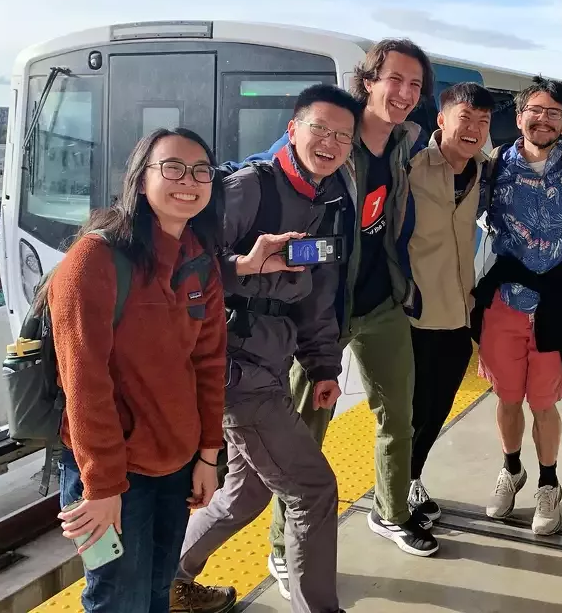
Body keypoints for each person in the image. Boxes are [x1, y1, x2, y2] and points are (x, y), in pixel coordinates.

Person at [169, 84, 360, 613]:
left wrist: (323, 365)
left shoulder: (326, 199)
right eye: (319, 128)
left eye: (342, 136)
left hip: (270, 366)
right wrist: (243, 267)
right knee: (313, 491)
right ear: (292, 128)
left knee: (245, 493)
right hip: (236, 372)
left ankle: (168, 579)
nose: (330, 142)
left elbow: (315, 295)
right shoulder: (249, 189)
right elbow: (183, 270)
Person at [264, 39, 441, 591]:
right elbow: (269, 170)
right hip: (321, 312)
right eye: (396, 80)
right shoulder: (332, 139)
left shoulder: (405, 141)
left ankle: (391, 510)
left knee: (399, 414)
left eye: (415, 85)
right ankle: (280, 544)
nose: (405, 94)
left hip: (381, 302)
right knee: (302, 431)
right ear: (368, 81)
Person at [50, 128, 227, 612]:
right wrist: (102, 487)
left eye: (201, 171)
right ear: (140, 178)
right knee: (117, 601)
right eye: (171, 167)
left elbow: (209, 365)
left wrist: (208, 455)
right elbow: (83, 382)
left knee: (156, 594)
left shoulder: (199, 261)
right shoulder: (95, 260)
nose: (187, 180)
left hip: (176, 464)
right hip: (113, 471)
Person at [470, 76, 562, 536]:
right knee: (506, 396)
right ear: (519, 116)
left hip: (557, 303)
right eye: (534, 111)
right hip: (506, 300)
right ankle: (511, 468)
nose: (542, 120)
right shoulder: (494, 166)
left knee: (543, 402)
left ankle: (548, 483)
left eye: (553, 113)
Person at [405, 82, 493, 522]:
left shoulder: (484, 170)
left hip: (459, 314)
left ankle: (411, 478)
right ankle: (395, 493)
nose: (474, 129)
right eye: (465, 118)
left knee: (436, 408)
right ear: (441, 120)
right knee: (410, 409)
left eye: (483, 122)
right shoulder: (410, 168)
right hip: (414, 315)